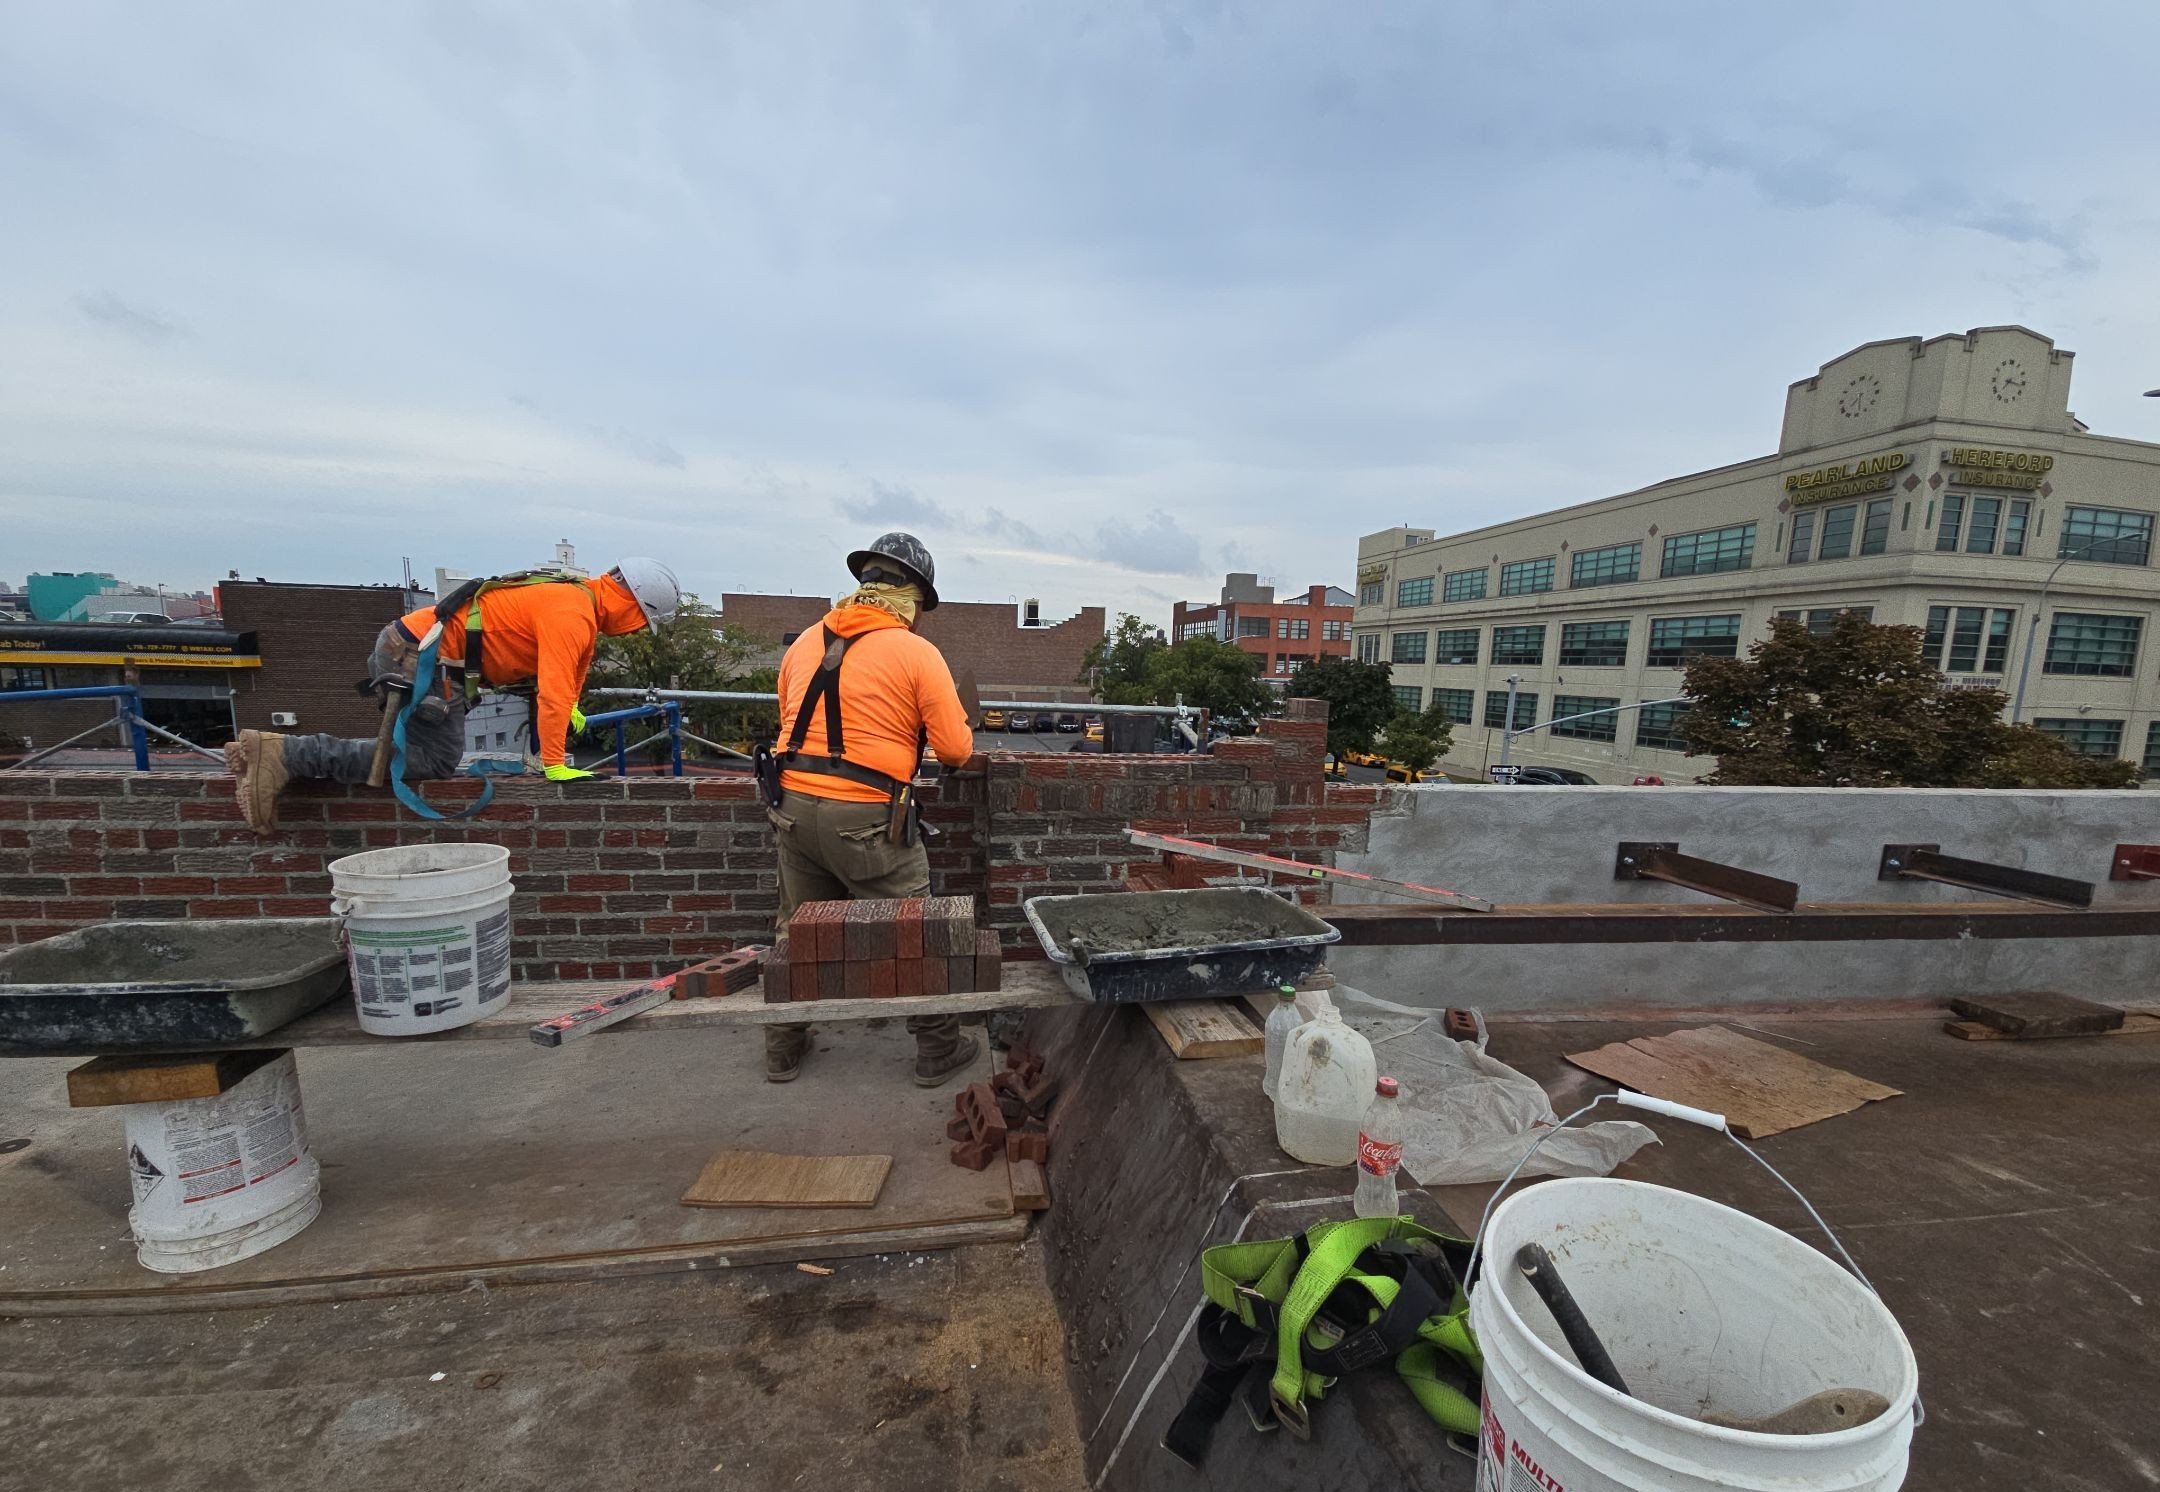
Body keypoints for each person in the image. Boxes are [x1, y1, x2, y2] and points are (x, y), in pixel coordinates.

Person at [758, 532, 986, 1086]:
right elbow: (956, 750)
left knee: (796, 931)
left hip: (791, 808)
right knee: (917, 932)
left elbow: (794, 720)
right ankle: (938, 1049)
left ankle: (782, 1047)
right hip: (864, 819)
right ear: (912, 595)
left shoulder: (806, 641)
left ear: (863, 585)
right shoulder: (915, 652)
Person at [224, 558, 681, 832]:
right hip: (419, 657)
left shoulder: (577, 598)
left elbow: (566, 677)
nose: (638, 629)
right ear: (631, 602)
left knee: (422, 755)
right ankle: (286, 753)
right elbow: (553, 694)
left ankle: (263, 753)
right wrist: (557, 764)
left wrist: (575, 711)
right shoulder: (573, 613)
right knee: (426, 761)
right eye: (643, 618)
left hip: (418, 651)